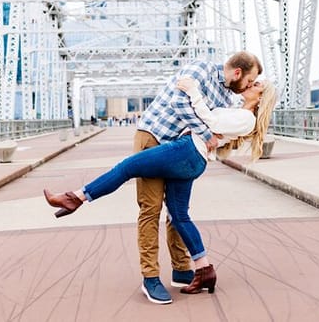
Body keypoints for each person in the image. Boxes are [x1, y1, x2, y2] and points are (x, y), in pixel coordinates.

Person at [43, 77, 277, 299]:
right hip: (194, 158)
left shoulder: (247, 118)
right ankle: (203, 269)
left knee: (128, 167)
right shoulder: (241, 112)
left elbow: (212, 122)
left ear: (261, 96)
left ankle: (76, 197)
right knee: (179, 216)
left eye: (256, 85)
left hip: (187, 150)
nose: (250, 85)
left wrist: (193, 91)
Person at [134, 51, 262, 304]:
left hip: (181, 149)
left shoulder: (228, 96)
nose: (249, 86)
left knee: (177, 211)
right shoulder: (200, 70)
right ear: (237, 73)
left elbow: (220, 123)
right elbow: (178, 104)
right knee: (151, 208)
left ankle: (181, 269)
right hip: (154, 136)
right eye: (250, 80)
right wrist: (206, 135)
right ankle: (150, 277)